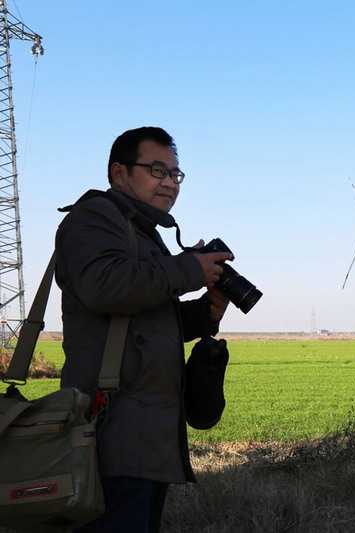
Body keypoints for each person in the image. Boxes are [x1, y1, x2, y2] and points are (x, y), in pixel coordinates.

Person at [56, 126, 232, 532]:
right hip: (108, 433)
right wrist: (188, 270)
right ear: (119, 172)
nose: (170, 183)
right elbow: (104, 288)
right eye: (157, 171)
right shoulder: (94, 219)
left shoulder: (140, 231)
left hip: (147, 437)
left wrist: (204, 314)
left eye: (175, 174)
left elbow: (142, 323)